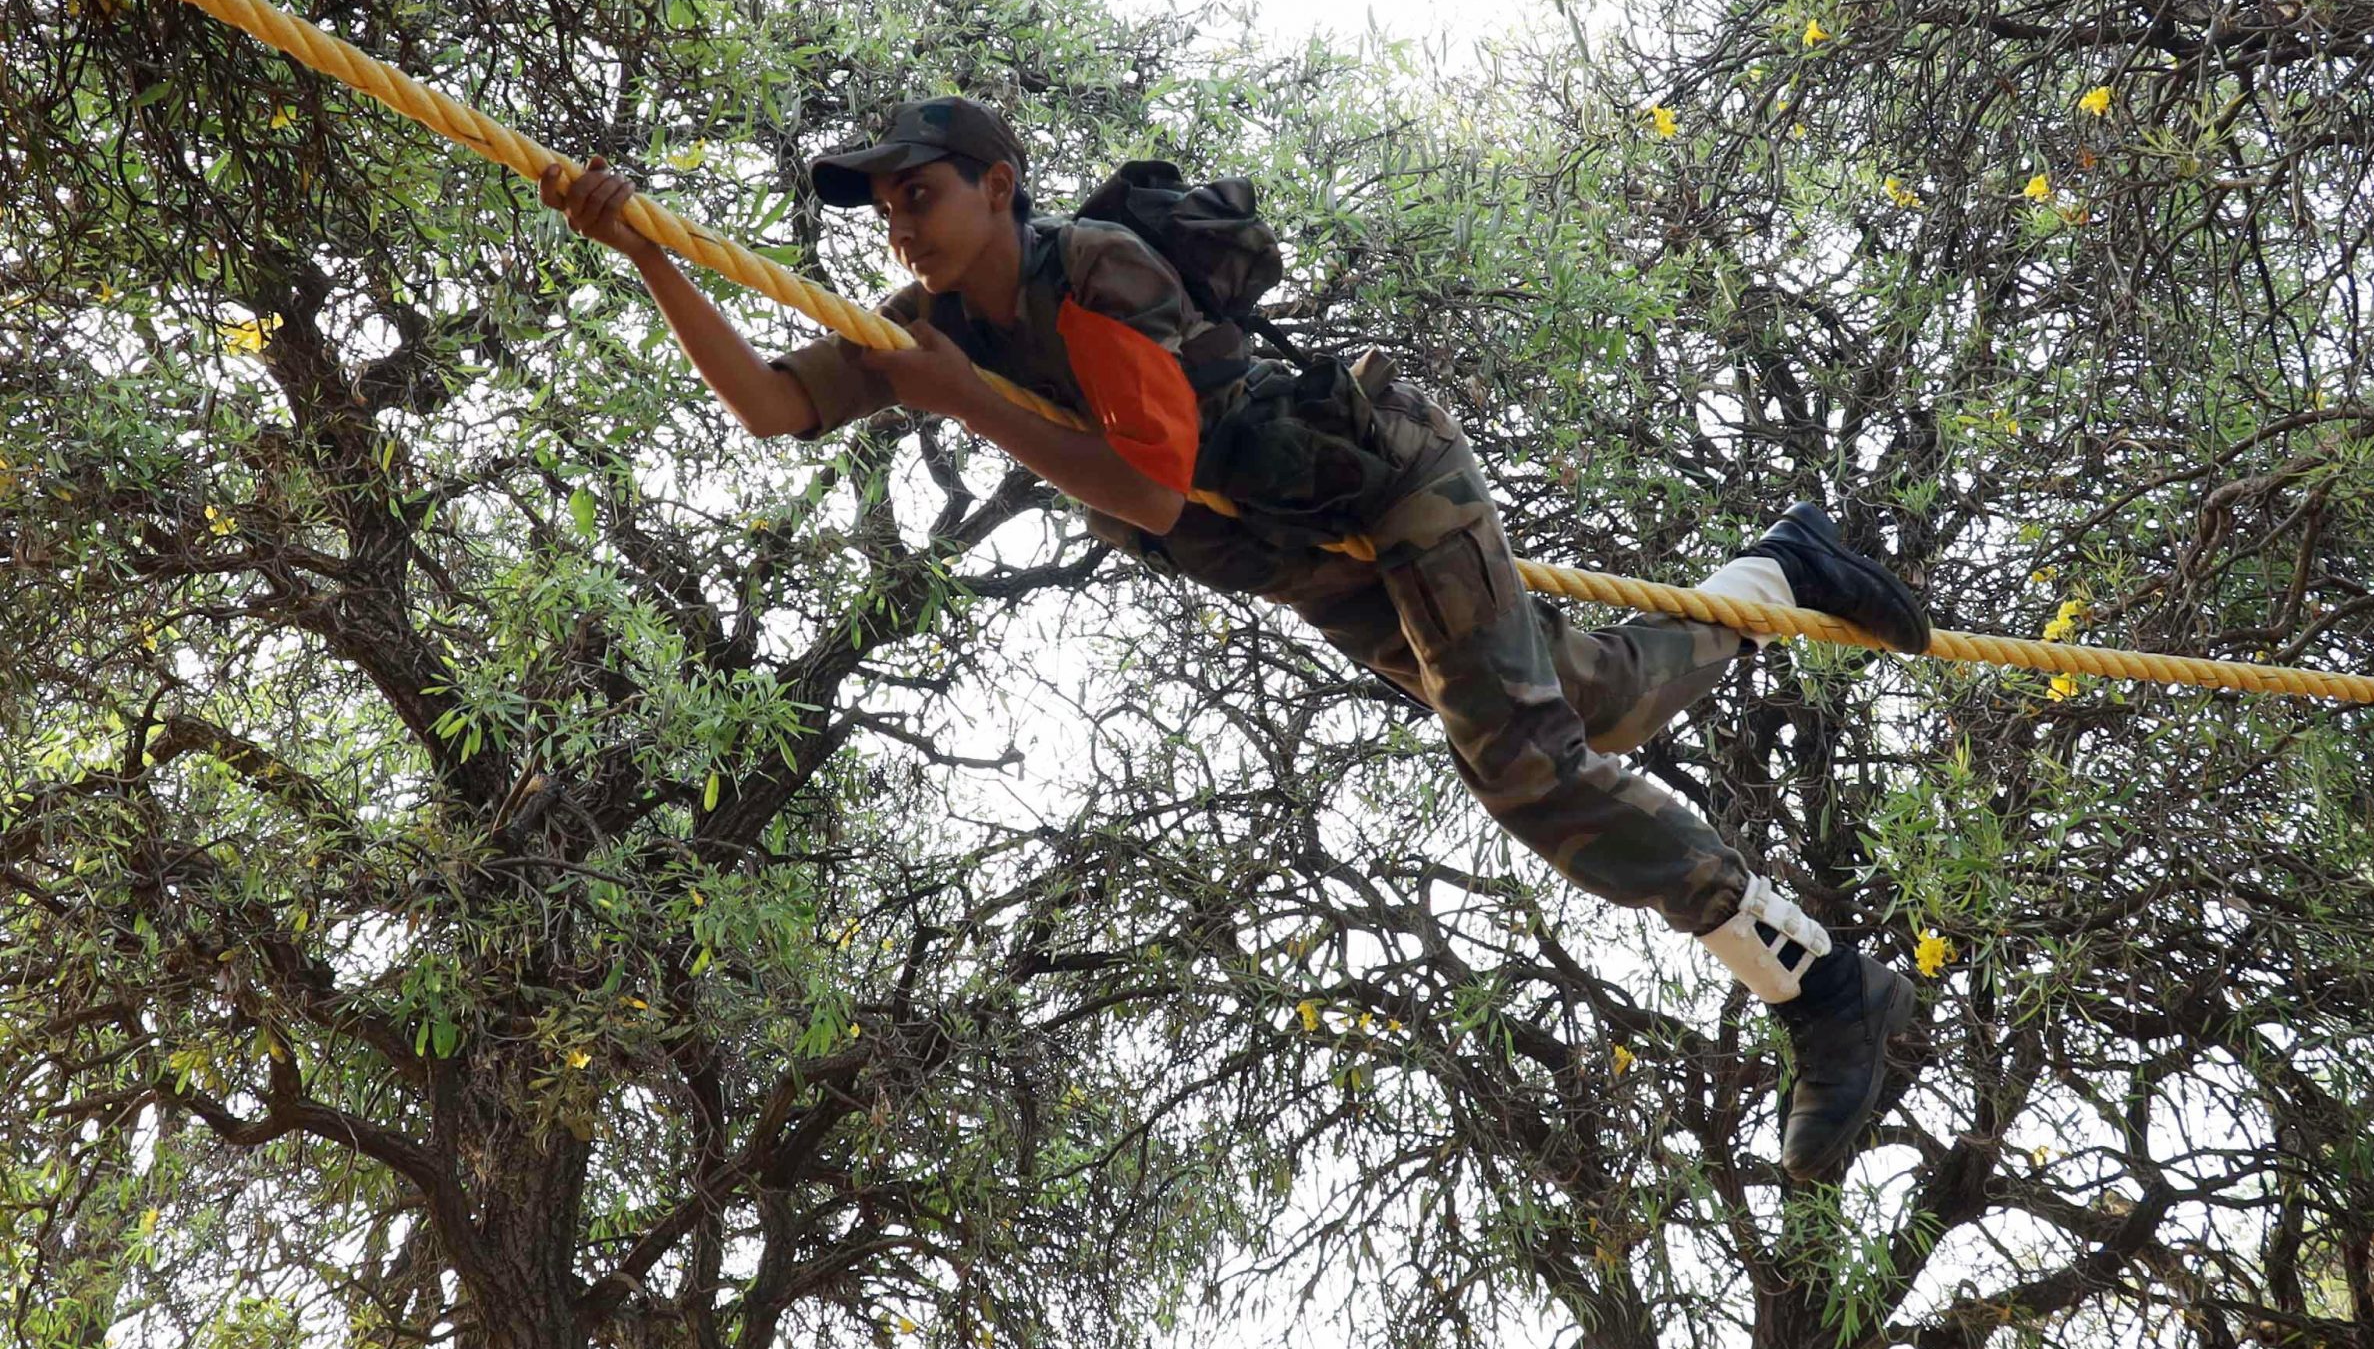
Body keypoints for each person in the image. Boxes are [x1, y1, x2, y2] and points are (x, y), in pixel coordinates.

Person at [543, 95, 1931, 1178]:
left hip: (1385, 474)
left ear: (998, 189)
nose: (899, 226)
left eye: (921, 194)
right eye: (884, 208)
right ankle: (1787, 568)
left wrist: (962, 399)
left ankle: (1816, 980)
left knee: (1524, 767)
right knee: (1603, 700)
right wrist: (650, 255)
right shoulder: (920, 326)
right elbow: (778, 407)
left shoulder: (1093, 269)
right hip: (1302, 559)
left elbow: (1148, 482)